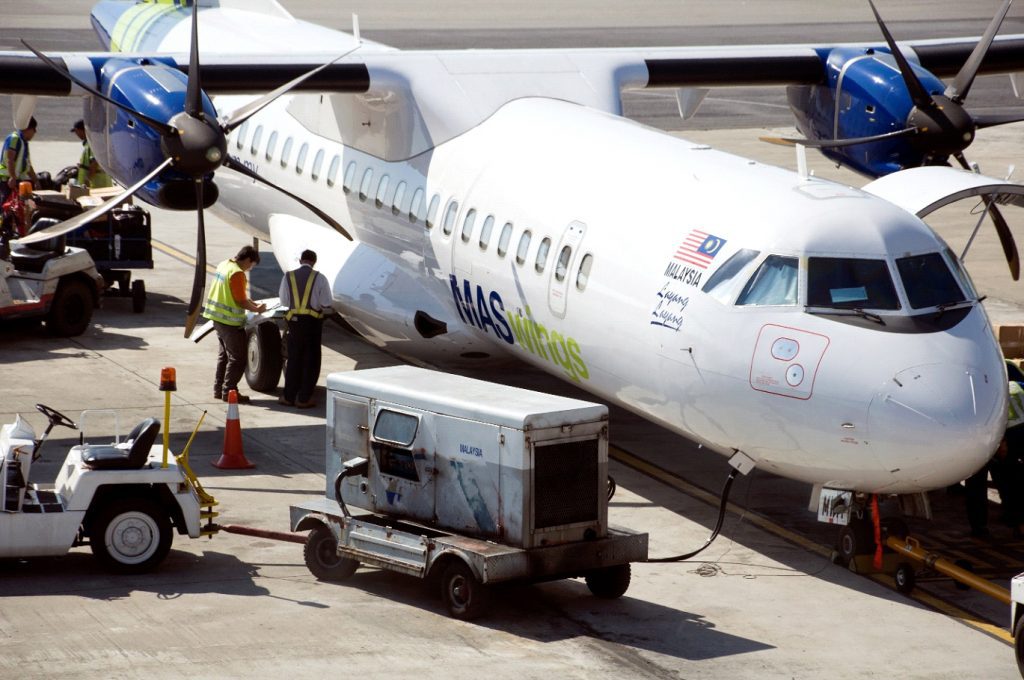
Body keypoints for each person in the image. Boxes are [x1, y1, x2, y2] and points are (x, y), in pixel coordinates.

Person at [202, 245, 267, 404]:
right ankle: (229, 391)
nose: (249, 268)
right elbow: (240, 300)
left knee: (224, 356)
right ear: (247, 259)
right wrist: (256, 309)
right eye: (251, 265)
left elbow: (237, 294)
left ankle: (219, 389)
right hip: (229, 322)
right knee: (238, 358)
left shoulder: (225, 265)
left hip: (217, 318)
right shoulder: (237, 273)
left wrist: (252, 303)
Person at [965, 380, 1024, 537]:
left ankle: (980, 527)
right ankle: (1015, 521)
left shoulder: (977, 390)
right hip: (1006, 435)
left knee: (979, 484)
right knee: (1010, 481)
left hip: (994, 437)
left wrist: (1001, 441)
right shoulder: (1014, 386)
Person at [278, 249, 332, 408]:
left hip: (294, 324)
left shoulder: (288, 276)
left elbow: (284, 301)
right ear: (314, 262)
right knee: (311, 360)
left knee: (294, 359)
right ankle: (303, 398)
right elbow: (326, 303)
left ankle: (288, 396)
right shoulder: (320, 278)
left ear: (301, 260)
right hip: (312, 324)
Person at [0, 117, 38, 206]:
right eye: (34, 129)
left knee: (19, 205)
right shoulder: (15, 138)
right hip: (7, 180)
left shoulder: (24, 142)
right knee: (6, 204)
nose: (35, 132)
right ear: (28, 129)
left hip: (18, 180)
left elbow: (28, 165)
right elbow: (10, 159)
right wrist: (12, 177)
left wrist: (36, 181)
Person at [71, 120, 111, 189]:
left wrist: (87, 180)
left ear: (82, 130)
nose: (76, 134)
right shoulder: (90, 143)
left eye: (76, 131)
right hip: (97, 183)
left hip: (98, 184)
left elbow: (95, 163)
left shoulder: (92, 143)